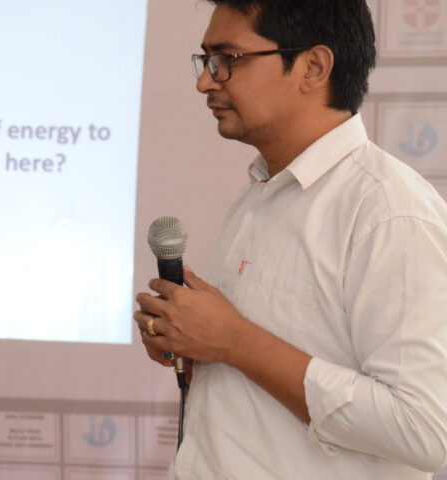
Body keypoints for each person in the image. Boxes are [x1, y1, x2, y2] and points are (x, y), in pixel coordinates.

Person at [134, 1, 447, 478]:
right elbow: (271, 376)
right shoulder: (262, 191)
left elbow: (424, 429)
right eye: (206, 60)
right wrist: (197, 346)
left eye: (228, 59)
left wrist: (235, 342)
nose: (206, 82)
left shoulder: (387, 212)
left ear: (313, 66)